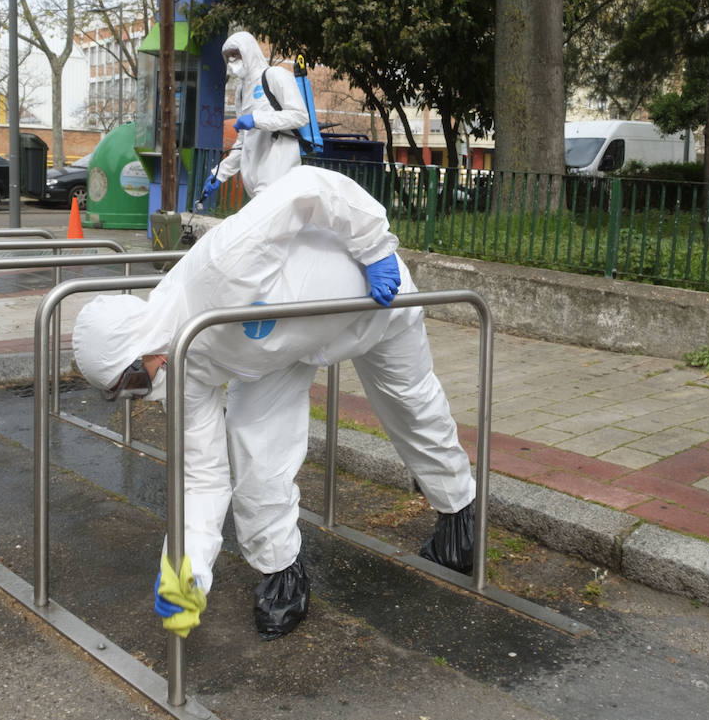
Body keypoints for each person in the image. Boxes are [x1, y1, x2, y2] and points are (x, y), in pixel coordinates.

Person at [72, 166, 476, 641]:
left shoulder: (219, 269)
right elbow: (201, 477)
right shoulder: (181, 371)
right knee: (255, 450)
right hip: (285, 352)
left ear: (144, 343)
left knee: (411, 407)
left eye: (135, 378)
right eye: (126, 390)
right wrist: (187, 575)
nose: (142, 392)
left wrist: (375, 248)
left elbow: (306, 187)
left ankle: (459, 515)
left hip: (375, 299)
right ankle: (282, 573)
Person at [200, 31, 309, 203]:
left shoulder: (274, 76)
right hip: (254, 183)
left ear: (248, 51)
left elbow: (300, 116)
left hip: (277, 175)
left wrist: (257, 119)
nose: (232, 61)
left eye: (235, 54)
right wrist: (219, 174)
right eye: (228, 57)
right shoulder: (241, 92)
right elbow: (242, 143)